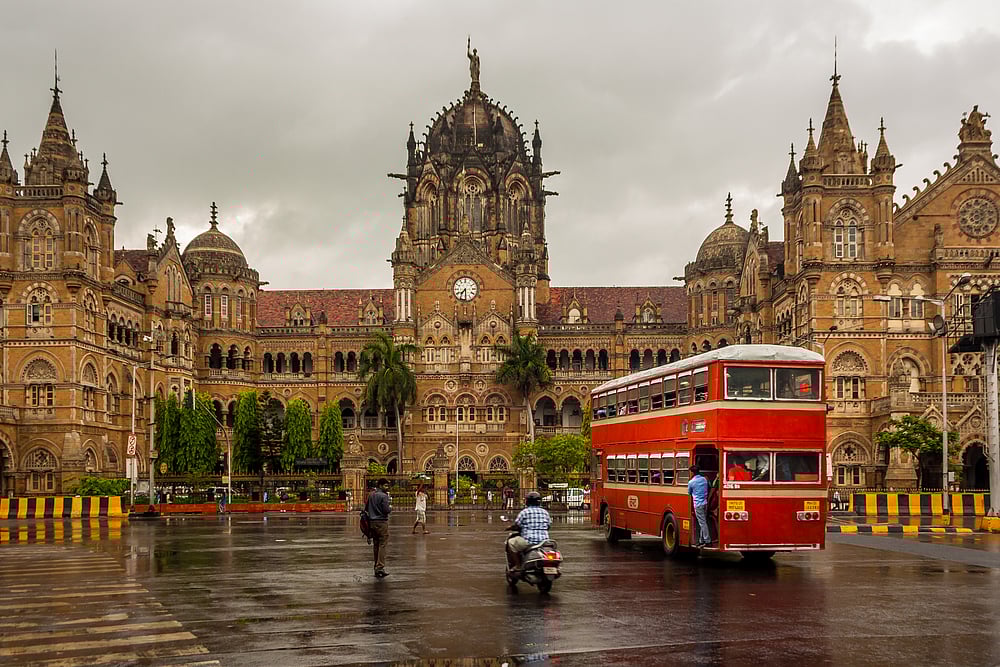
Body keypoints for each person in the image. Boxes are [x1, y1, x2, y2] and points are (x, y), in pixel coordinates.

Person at [505, 491, 551, 570]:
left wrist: (510, 527)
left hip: (528, 541)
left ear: (528, 501)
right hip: (544, 541)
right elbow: (549, 525)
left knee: (511, 543)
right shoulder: (545, 512)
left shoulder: (525, 512)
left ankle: (518, 566)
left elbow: (517, 525)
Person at [364, 478, 392, 577]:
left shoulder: (371, 495)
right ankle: (380, 567)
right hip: (381, 522)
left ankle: (376, 566)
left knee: (376, 545)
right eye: (385, 486)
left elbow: (366, 508)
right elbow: (386, 510)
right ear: (380, 485)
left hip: (372, 522)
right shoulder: (384, 496)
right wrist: (390, 508)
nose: (387, 488)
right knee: (382, 544)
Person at [687, 465, 712, 547]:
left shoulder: (691, 482)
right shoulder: (705, 479)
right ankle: (702, 540)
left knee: (702, 523)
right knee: (703, 521)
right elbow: (709, 487)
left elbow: (689, 493)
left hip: (697, 504)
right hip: (705, 503)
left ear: (692, 472)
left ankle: (707, 540)